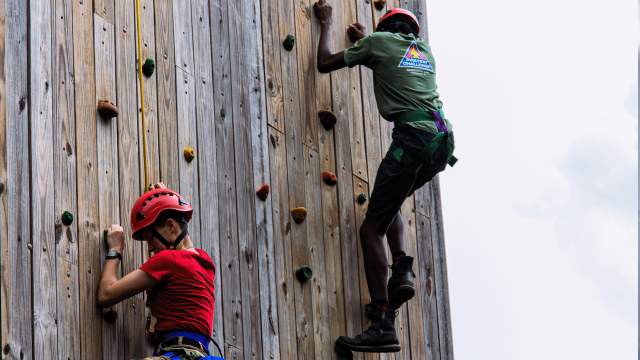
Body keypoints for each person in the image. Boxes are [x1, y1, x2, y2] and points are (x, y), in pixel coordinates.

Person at [313, 0, 456, 353]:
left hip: (412, 137)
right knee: (389, 202)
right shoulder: (424, 52)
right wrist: (369, 40)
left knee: (370, 228)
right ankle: (403, 268)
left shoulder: (378, 44)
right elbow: (392, 61)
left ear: (384, 31)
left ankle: (382, 323)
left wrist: (327, 22)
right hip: (441, 143)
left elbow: (324, 62)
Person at [97, 182, 219, 360]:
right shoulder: (204, 261)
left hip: (178, 354)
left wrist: (115, 249)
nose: (150, 248)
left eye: (150, 238)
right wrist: (162, 200)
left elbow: (105, 296)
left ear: (171, 226)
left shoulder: (169, 260)